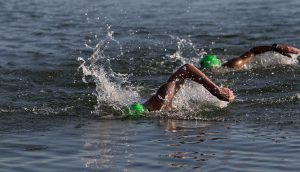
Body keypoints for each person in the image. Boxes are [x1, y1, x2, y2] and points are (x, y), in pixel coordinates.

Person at [125, 43, 300, 116]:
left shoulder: (162, 96)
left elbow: (186, 68)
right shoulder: (157, 110)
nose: (210, 71)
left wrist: (216, 90)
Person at [202, 43, 300, 70]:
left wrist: (275, 47)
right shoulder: (232, 65)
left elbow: (253, 52)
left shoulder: (232, 65)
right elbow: (253, 51)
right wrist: (274, 47)